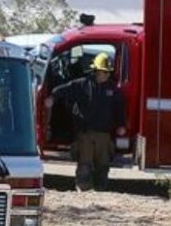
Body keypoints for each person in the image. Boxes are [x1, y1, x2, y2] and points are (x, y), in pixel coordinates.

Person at [48, 53, 126, 191]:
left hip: (104, 135)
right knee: (84, 164)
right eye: (104, 72)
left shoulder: (113, 89)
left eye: (108, 72)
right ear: (96, 71)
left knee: (103, 165)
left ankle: (101, 189)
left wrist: (121, 125)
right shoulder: (81, 84)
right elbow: (61, 90)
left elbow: (119, 109)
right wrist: (52, 98)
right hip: (85, 134)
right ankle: (83, 189)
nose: (106, 75)